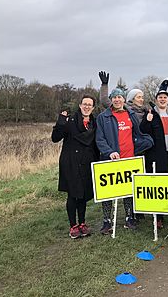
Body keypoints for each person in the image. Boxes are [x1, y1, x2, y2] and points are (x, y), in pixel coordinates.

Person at [95, 88, 154, 234]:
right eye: (114, 97)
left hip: (129, 159)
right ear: (111, 100)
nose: (117, 100)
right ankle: (107, 221)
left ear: (123, 99)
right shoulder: (103, 117)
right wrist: (109, 152)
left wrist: (146, 142)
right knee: (108, 192)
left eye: (119, 97)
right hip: (111, 159)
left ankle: (129, 217)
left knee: (129, 191)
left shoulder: (131, 114)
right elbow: (100, 139)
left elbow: (137, 133)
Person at [51, 95, 99, 239]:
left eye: (90, 105)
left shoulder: (94, 122)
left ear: (93, 107)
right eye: (84, 104)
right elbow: (55, 138)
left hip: (87, 162)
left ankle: (82, 223)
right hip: (71, 162)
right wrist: (59, 123)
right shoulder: (70, 121)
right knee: (73, 194)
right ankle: (73, 225)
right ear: (80, 105)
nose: (87, 107)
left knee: (83, 195)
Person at [140, 87, 168, 225]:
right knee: (159, 185)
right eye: (160, 97)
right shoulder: (151, 114)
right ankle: (159, 217)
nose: (162, 99)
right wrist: (147, 121)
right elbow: (143, 130)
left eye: (165, 97)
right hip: (157, 155)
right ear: (156, 100)